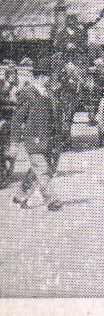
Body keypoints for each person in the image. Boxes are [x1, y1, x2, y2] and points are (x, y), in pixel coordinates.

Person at [9, 58, 63, 210]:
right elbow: (17, 119)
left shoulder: (48, 93)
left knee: (36, 170)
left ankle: (20, 195)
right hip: (34, 139)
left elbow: (54, 116)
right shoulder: (27, 93)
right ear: (41, 76)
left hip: (48, 139)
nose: (50, 79)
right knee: (42, 169)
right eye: (48, 76)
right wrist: (14, 142)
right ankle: (51, 199)